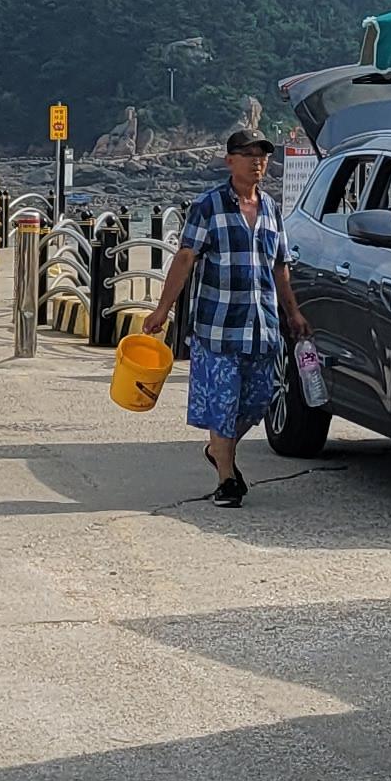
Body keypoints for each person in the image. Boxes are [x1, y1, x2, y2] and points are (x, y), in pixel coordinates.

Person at [146, 122, 303, 509]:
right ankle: (227, 479)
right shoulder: (208, 205)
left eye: (262, 156)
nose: (257, 162)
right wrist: (163, 309)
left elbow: (280, 266)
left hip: (262, 328)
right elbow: (186, 257)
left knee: (259, 400)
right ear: (230, 160)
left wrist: (293, 314)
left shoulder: (271, 209)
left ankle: (218, 450)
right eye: (248, 155)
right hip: (218, 327)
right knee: (223, 402)